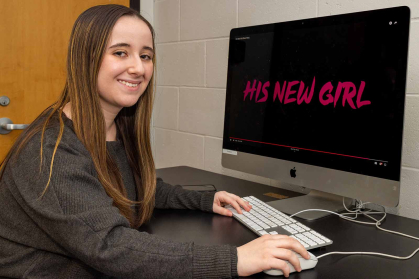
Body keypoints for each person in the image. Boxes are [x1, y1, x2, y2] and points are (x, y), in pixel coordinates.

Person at [0, 4, 309, 278]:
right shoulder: (50, 151)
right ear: (86, 58)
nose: (138, 67)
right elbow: (111, 247)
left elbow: (130, 187)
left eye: (146, 56)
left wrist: (203, 200)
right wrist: (236, 259)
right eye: (121, 52)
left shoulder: (116, 125)